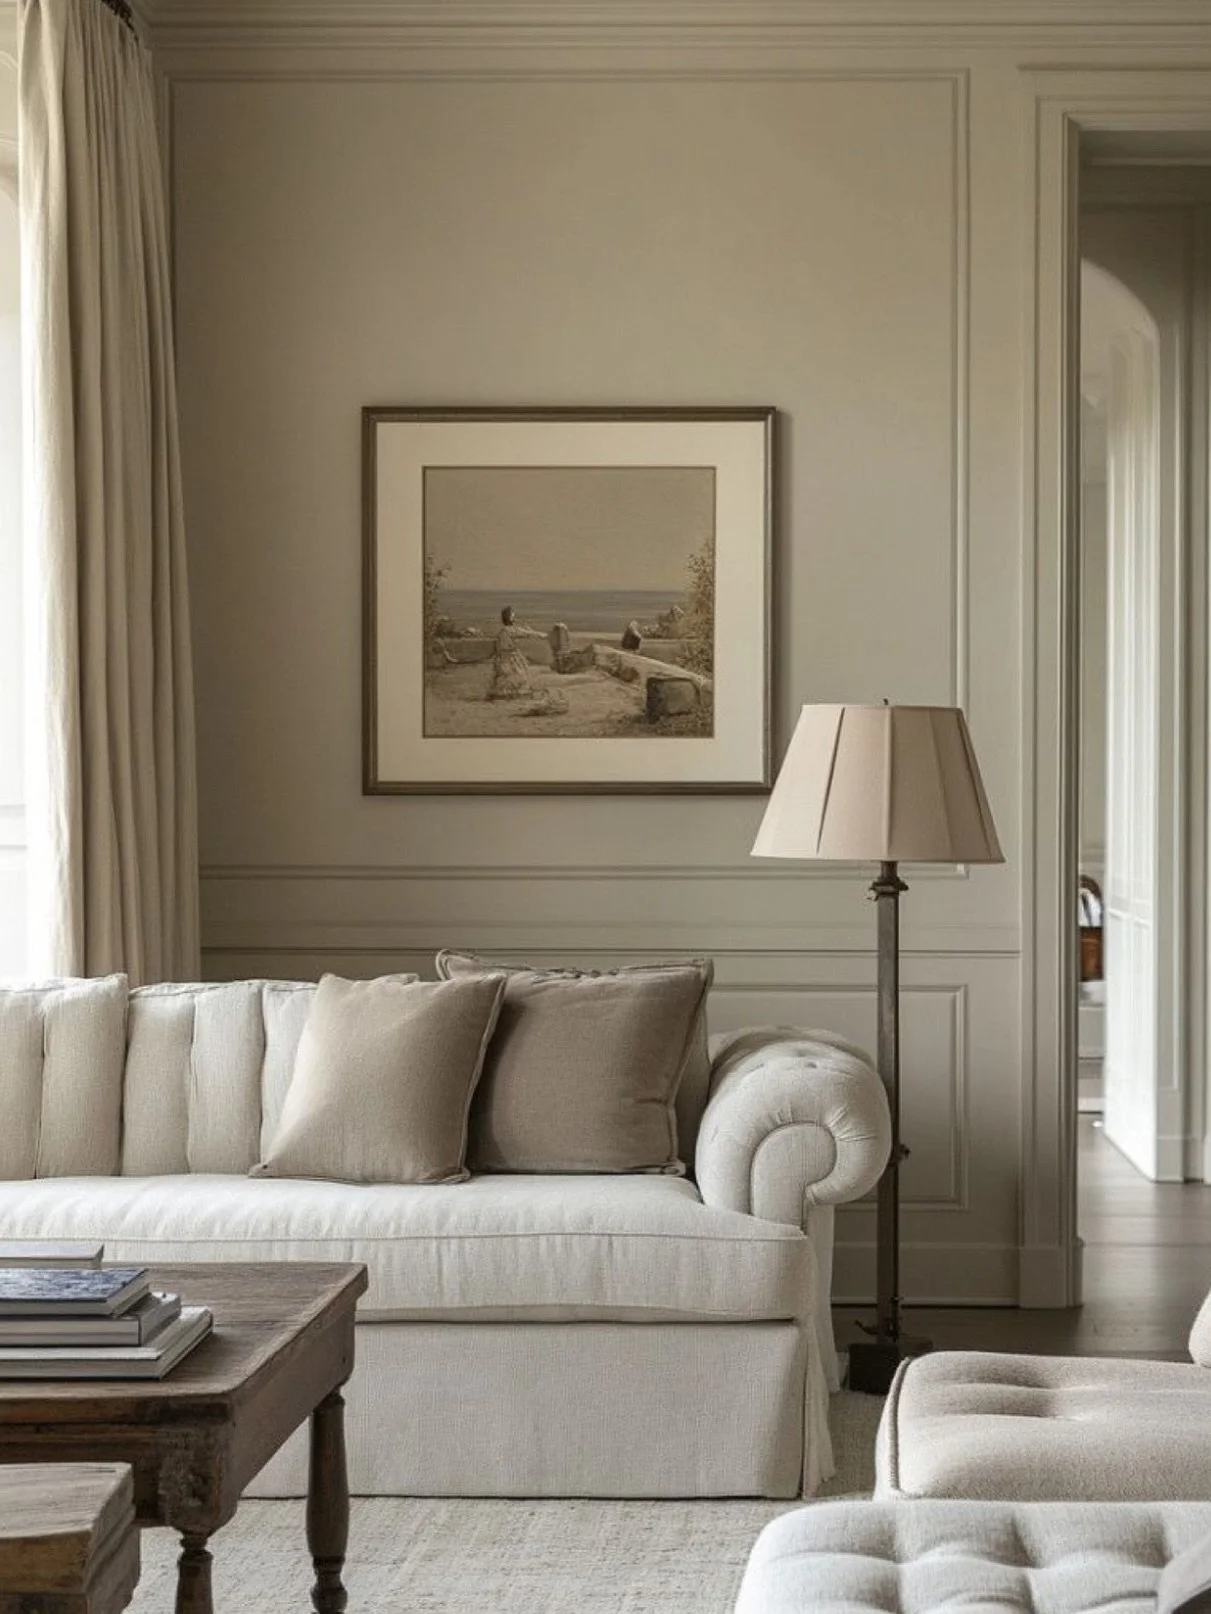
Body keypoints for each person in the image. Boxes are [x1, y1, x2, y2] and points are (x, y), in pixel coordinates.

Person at [488, 606, 534, 699]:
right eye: (513, 616)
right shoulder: (510, 630)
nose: (514, 619)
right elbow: (525, 633)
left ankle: (505, 694)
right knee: (518, 676)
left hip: (504, 658)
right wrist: (531, 631)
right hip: (510, 658)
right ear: (509, 618)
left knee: (507, 678)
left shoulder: (503, 631)